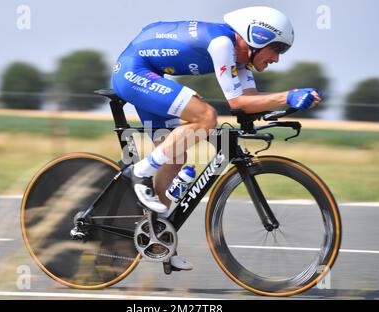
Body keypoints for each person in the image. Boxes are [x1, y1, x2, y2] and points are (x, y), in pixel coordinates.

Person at [111, 6, 322, 270]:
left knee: (175, 159)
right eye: (277, 49)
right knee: (205, 117)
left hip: (148, 73)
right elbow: (236, 100)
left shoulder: (240, 58)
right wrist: (288, 95)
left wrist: (288, 102)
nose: (277, 59)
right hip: (134, 73)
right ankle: (140, 172)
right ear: (256, 37)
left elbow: (249, 102)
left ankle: (157, 238)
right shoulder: (223, 43)